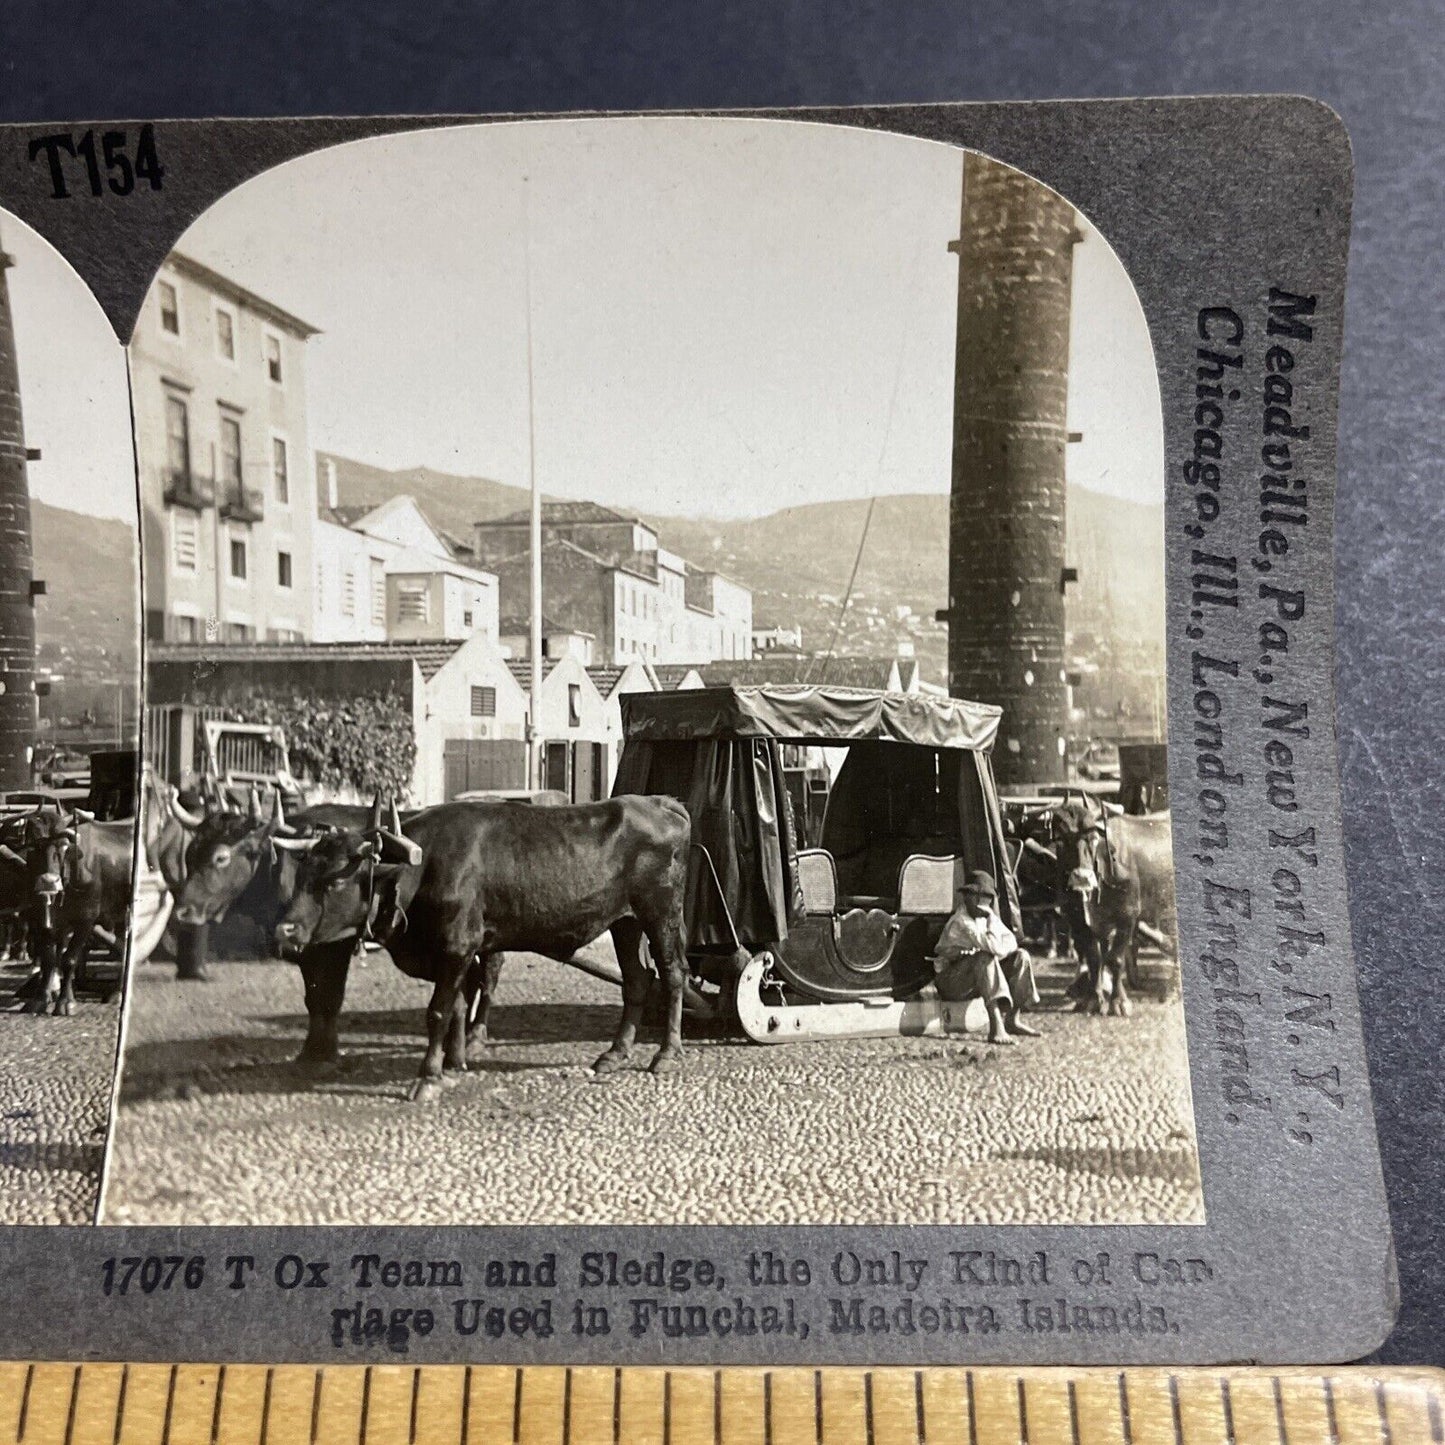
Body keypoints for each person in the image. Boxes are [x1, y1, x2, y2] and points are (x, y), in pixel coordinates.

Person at [933, 869, 1041, 1044]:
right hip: (951, 982)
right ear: (967, 897)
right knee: (985, 958)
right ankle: (996, 1025)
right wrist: (994, 932)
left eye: (986, 897)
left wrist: (994, 932)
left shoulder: (986, 919)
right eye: (975, 895)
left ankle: (1013, 1019)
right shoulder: (962, 921)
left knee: (1022, 956)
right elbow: (991, 947)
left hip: (975, 979)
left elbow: (1011, 942)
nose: (981, 901)